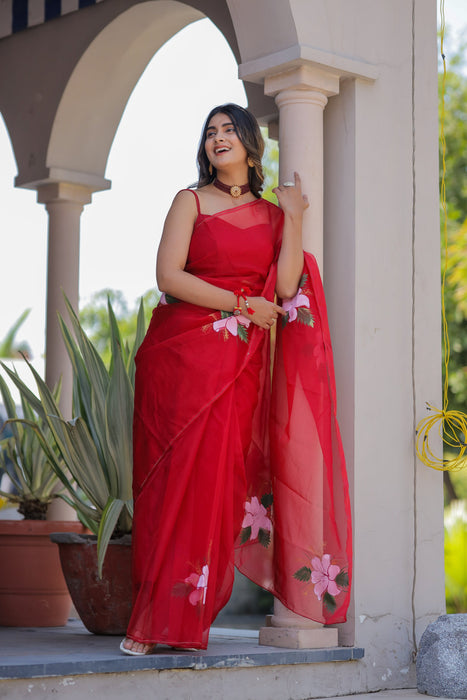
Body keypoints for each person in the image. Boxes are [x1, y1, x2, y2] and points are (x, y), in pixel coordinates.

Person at [120, 104, 351, 655]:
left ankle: (187, 619)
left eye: (228, 130)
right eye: (210, 132)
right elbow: (168, 277)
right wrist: (241, 304)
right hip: (181, 358)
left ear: (250, 144)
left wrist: (293, 215)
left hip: (239, 366)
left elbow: (288, 282)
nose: (217, 139)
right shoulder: (191, 202)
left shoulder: (272, 218)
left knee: (218, 486)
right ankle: (151, 621)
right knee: (172, 480)